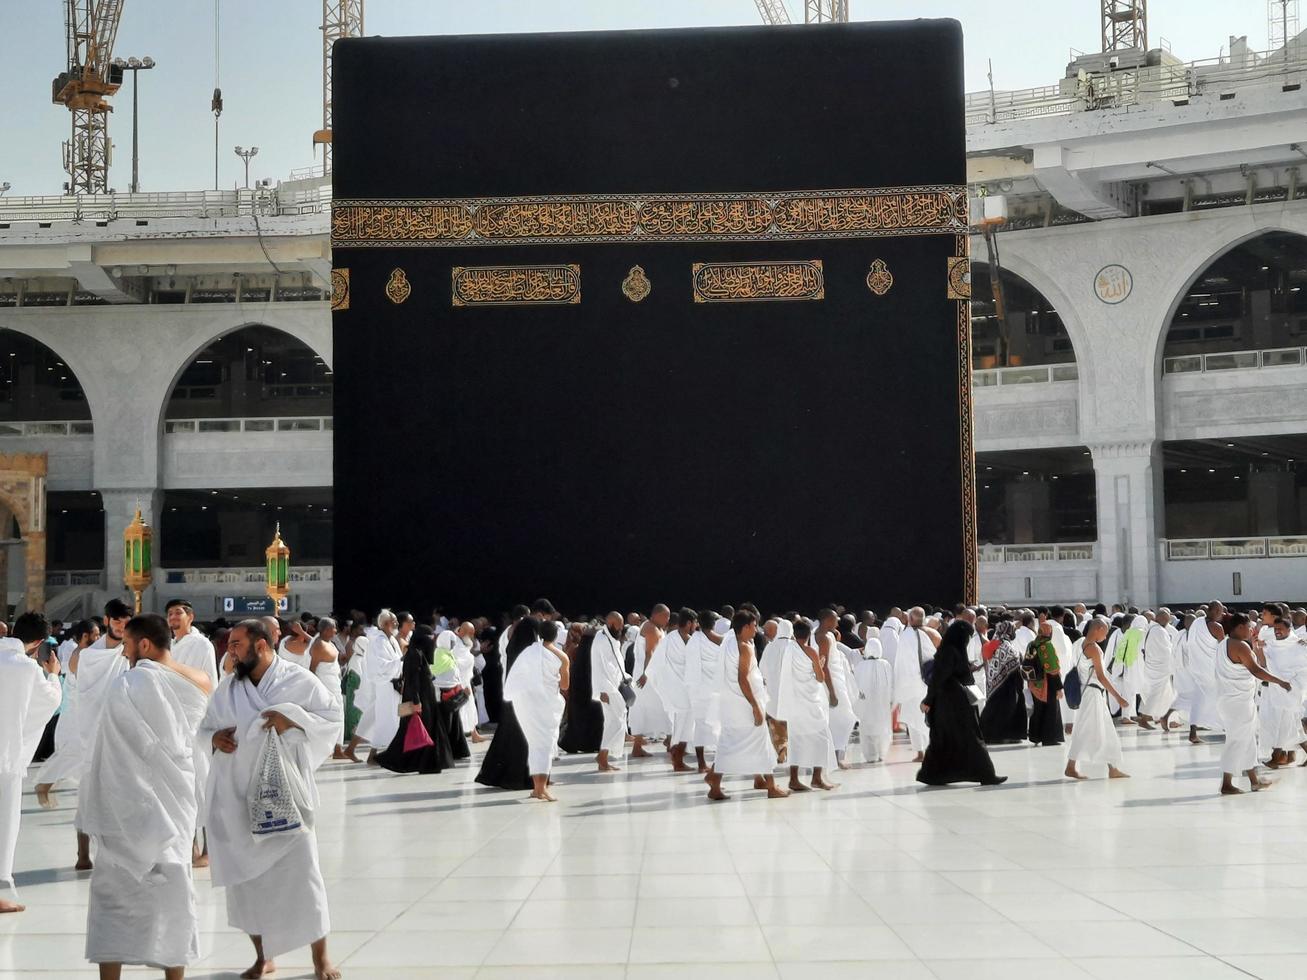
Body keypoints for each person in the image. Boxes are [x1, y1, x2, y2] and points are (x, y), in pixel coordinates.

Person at [198, 618, 342, 980]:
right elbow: (202, 729)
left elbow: (331, 718)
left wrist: (291, 720)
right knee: (247, 884)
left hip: (286, 796)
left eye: (236, 644)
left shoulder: (297, 680)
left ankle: (320, 959)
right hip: (237, 796)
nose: (229, 651)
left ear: (261, 646)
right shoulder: (228, 688)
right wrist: (214, 739)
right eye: (230, 645)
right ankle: (264, 957)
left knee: (304, 876)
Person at [80, 613, 213, 980]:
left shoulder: (130, 683)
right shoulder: (200, 680)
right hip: (177, 799)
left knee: (115, 896)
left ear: (144, 645)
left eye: (125, 645)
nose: (123, 654)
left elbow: (112, 745)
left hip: (128, 804)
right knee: (174, 890)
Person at [38, 597, 132, 869]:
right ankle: (82, 854)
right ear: (107, 621)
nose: (121, 626)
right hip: (92, 731)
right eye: (116, 620)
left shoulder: (134, 649)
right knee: (88, 796)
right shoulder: (88, 654)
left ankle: (117, 853)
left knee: (121, 798)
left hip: (123, 733)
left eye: (126, 621)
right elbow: (78, 676)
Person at [0, 612, 62, 913]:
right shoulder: (26, 668)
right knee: (3, 823)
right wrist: (53, 674)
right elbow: (49, 702)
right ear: (38, 643)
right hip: (5, 758)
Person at [705, 611, 786, 801]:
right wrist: (755, 705)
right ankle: (771, 787)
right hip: (744, 705)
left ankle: (714, 780)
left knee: (729, 743)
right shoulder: (744, 647)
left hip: (732, 705)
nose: (756, 629)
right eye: (754, 625)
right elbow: (742, 679)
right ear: (746, 626)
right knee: (761, 742)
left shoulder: (731, 642)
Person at [916, 621, 1006, 786]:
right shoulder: (950, 652)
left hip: (951, 702)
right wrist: (928, 700)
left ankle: (933, 775)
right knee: (970, 737)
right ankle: (986, 774)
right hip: (952, 703)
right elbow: (938, 679)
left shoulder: (952, 650)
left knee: (944, 738)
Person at [1215, 613, 1290, 794]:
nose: (1251, 630)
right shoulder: (1240, 646)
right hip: (1237, 703)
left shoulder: (1222, 644)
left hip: (1230, 700)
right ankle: (1226, 783)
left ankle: (1254, 781)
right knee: (1236, 741)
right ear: (1239, 627)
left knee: (1247, 740)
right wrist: (1279, 681)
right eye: (1249, 627)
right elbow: (1256, 670)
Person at [503, 619, 569, 801]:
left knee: (535, 743)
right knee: (545, 744)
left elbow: (517, 677)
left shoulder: (528, 653)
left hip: (527, 704)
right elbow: (565, 685)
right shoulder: (562, 657)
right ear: (556, 636)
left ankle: (537, 787)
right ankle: (541, 788)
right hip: (546, 703)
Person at [375, 630, 455, 774]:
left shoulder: (418, 653)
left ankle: (421, 763)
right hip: (419, 699)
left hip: (424, 699)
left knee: (419, 731)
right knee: (416, 730)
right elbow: (412, 680)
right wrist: (416, 701)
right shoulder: (414, 655)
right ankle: (395, 760)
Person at [475, 615, 539, 792]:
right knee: (522, 740)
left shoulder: (514, 647)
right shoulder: (529, 651)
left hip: (513, 700)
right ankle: (522, 777)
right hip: (525, 701)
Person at [774, 619, 837, 791]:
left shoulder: (789, 650)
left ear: (794, 633)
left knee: (796, 741)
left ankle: (794, 779)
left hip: (794, 704)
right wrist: (821, 664)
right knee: (821, 739)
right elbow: (820, 677)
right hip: (810, 705)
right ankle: (816, 777)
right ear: (809, 635)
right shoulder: (811, 651)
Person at [1065, 618, 1130, 780]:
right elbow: (1101, 677)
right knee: (1089, 730)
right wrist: (1118, 697)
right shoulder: (1094, 649)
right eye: (1105, 631)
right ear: (1098, 629)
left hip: (1087, 693)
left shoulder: (1079, 643)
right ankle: (1072, 767)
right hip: (1092, 694)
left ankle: (1111, 768)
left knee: (1101, 730)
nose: (1106, 636)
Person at [354, 609, 403, 764]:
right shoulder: (378, 641)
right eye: (393, 620)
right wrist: (402, 661)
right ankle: (373, 755)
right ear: (385, 624)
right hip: (385, 686)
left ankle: (389, 753)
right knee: (385, 720)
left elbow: (396, 661)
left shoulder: (392, 640)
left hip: (394, 685)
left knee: (393, 720)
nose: (396, 623)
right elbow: (380, 666)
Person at [653, 608, 699, 772]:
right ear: (688, 623)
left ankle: (677, 755)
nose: (696, 626)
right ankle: (677, 758)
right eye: (694, 623)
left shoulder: (669, 637)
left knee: (682, 724)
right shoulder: (689, 640)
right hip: (685, 689)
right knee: (685, 724)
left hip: (674, 687)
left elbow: (656, 662)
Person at [892, 607, 938, 762]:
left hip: (911, 685)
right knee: (930, 718)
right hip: (928, 683)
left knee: (915, 719)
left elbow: (900, 662)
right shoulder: (932, 633)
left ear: (911, 619)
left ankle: (920, 753)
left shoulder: (905, 635)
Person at [628, 604, 672, 758]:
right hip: (647, 677)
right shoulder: (651, 628)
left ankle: (668, 740)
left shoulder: (656, 627)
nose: (668, 619)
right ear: (657, 615)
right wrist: (646, 674)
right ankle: (668, 740)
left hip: (652, 675)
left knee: (658, 707)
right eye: (666, 616)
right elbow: (650, 652)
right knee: (652, 707)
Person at [816, 609, 858, 769]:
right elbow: (824, 666)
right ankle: (834, 756)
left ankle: (835, 755)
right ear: (827, 620)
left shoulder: (827, 636)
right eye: (835, 619)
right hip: (830, 684)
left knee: (839, 719)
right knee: (844, 718)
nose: (837, 622)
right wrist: (832, 692)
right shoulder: (823, 637)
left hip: (834, 681)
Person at [590, 612, 629, 772]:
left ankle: (603, 758)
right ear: (611, 623)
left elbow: (616, 663)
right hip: (606, 687)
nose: (621, 628)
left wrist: (625, 678)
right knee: (618, 721)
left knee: (614, 721)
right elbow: (599, 668)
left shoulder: (609, 638)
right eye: (619, 625)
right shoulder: (602, 640)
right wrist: (602, 691)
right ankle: (602, 755)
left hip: (614, 685)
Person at [1184, 601, 1226, 744]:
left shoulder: (1196, 623)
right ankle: (1228, 729)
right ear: (1214, 611)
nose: (1222, 614)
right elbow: (1223, 648)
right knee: (1222, 697)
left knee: (1199, 699)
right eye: (1220, 611)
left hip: (1196, 668)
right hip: (1211, 669)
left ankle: (1193, 732)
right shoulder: (1217, 627)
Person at [979, 620, 1026, 743]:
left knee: (993, 708)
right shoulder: (1006, 646)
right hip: (1008, 684)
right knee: (1007, 709)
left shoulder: (992, 644)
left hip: (993, 683)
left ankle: (989, 735)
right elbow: (1015, 663)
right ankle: (1006, 736)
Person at [852, 627, 894, 763]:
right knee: (882, 728)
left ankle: (870, 756)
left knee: (866, 729)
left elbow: (855, 686)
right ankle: (882, 753)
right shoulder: (886, 664)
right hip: (882, 703)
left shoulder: (860, 666)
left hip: (865, 704)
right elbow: (891, 684)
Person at [1023, 621, 1064, 746]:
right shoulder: (1047, 645)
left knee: (1038, 709)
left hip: (1034, 683)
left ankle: (1035, 737)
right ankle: (1049, 738)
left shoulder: (1031, 644)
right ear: (1049, 632)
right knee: (1051, 710)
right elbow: (1053, 669)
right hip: (1048, 683)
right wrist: (1059, 687)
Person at [1136, 609, 1176, 731]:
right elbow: (1167, 651)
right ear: (1160, 619)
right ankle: (1144, 719)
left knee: (1167, 695)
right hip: (1159, 669)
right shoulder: (1158, 631)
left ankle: (1164, 718)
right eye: (1166, 619)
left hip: (1155, 667)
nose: (1167, 621)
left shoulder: (1152, 629)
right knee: (1156, 694)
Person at [166, 600, 218, 688]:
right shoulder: (168, 646)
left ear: (190, 617)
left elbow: (210, 680)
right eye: (170, 614)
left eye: (178, 613)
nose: (173, 617)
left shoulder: (202, 644)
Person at [337, 620, 368, 759]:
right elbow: (358, 676)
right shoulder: (356, 659)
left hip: (360, 690)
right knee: (354, 713)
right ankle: (353, 735)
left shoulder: (361, 657)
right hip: (356, 690)